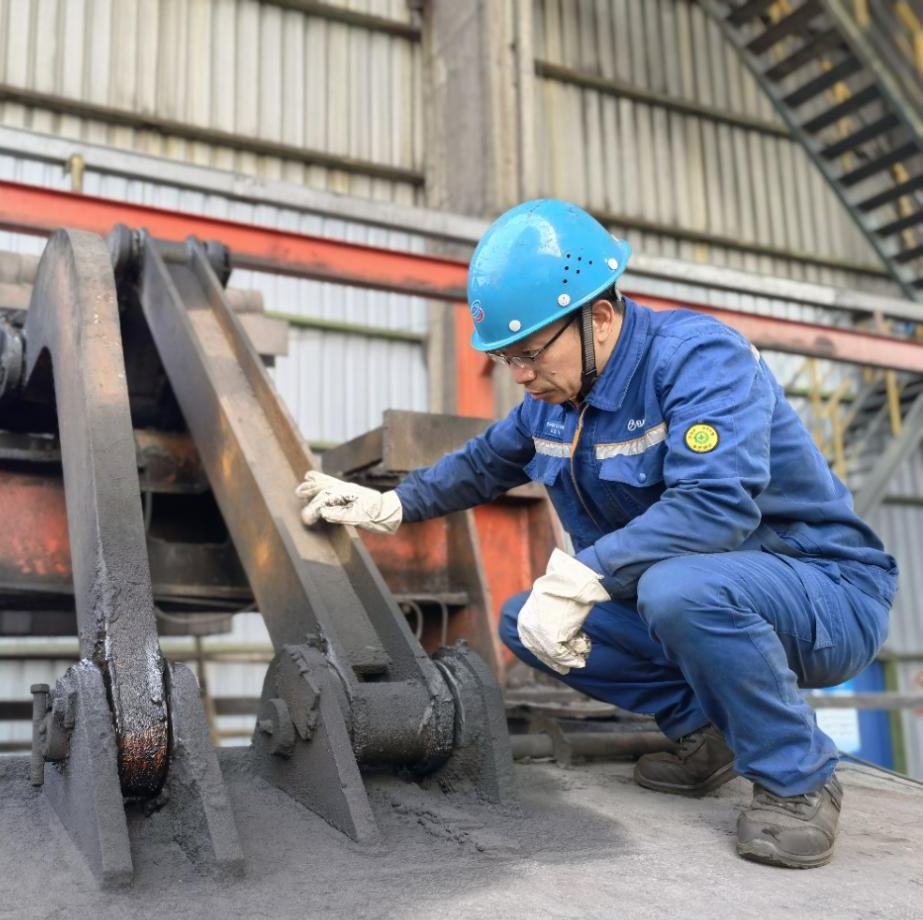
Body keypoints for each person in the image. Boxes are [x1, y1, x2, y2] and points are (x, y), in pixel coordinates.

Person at [295, 198, 897, 869]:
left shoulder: (699, 361)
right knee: (525, 621)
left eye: (530, 354)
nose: (520, 375)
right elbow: (483, 464)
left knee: (676, 590)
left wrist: (587, 572)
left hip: (824, 593)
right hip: (696, 598)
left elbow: (715, 505)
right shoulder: (554, 403)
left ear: (600, 319)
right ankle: (707, 733)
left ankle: (797, 780)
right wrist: (392, 505)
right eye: (507, 359)